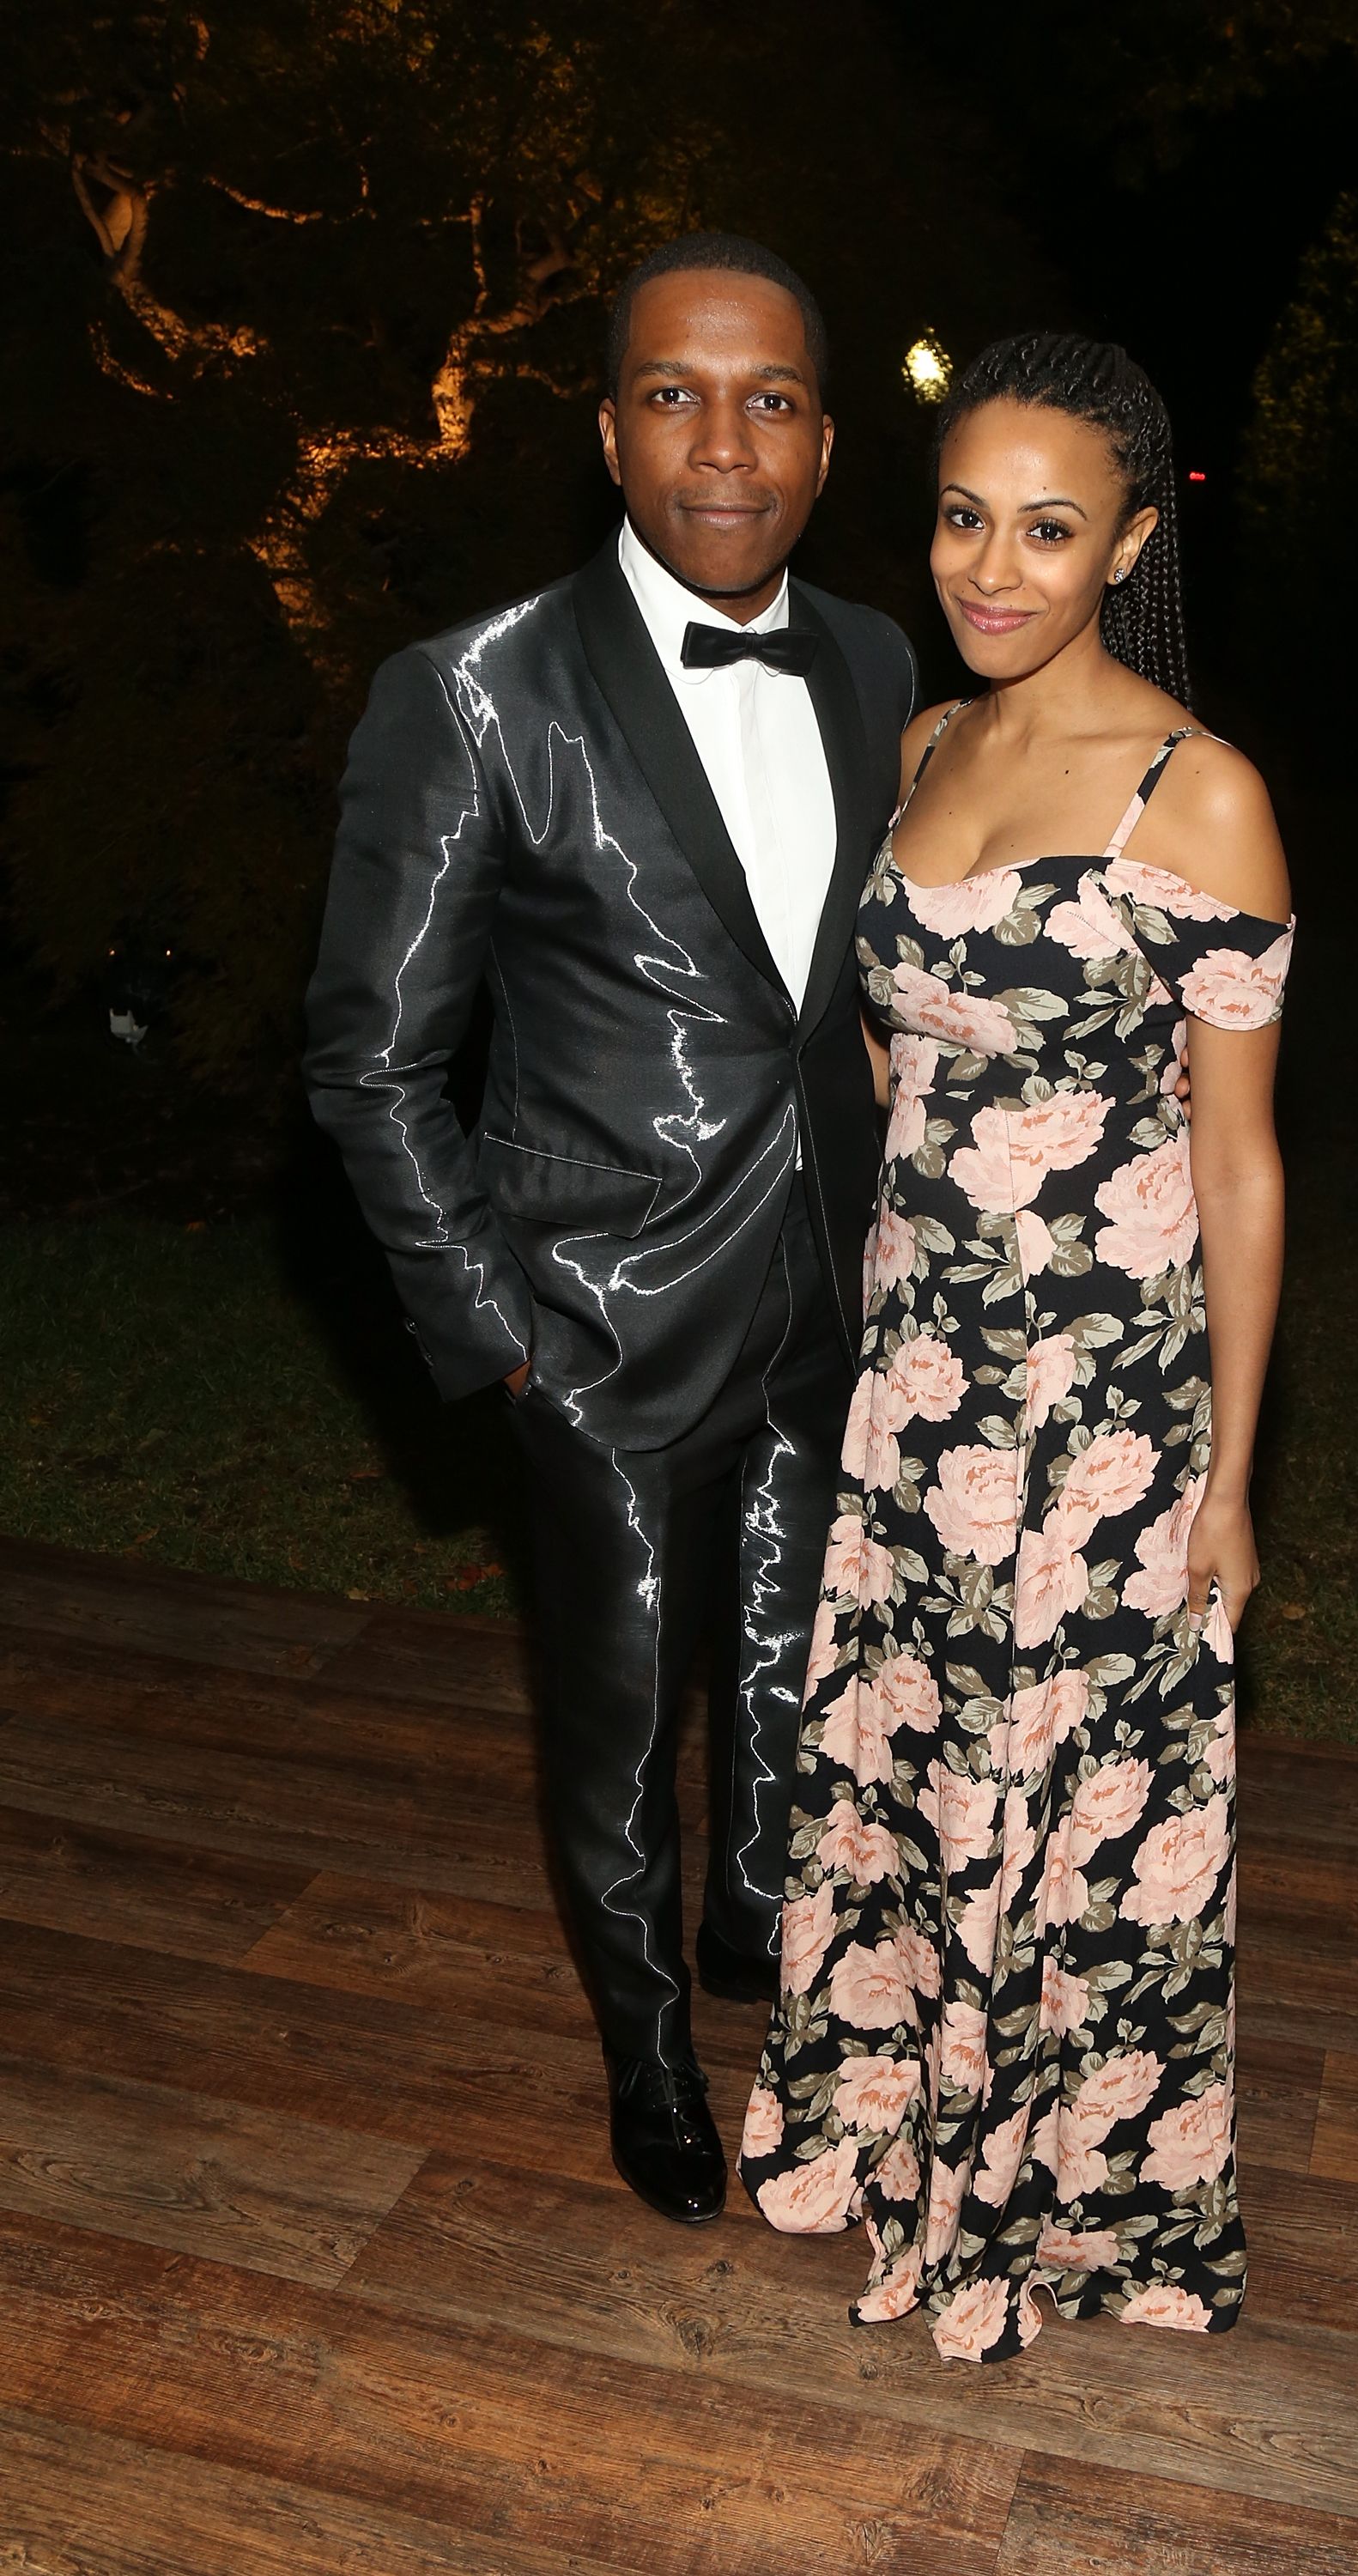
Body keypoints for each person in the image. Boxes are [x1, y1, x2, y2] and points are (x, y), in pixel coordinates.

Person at [303, 235, 915, 2226]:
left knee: (795, 1663)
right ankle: (652, 2066)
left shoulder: (884, 662)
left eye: (767, 400)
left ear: (824, 445)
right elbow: (370, 1065)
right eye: (673, 391)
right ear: (607, 427)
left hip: (831, 1292)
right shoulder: (469, 694)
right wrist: (500, 1335)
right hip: (595, 1322)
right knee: (617, 1726)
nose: (720, 441)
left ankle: (758, 1929)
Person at [739, 331, 1293, 2360]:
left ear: (1130, 540)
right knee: (910, 1757)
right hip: (919, 1388)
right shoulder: (923, 749)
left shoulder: (1199, 795)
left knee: (1067, 1794)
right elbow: (898, 1057)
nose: (992, 566)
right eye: (966, 515)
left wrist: (1229, 1481)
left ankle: (1059, 2201)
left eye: (1049, 529)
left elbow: (1240, 1170)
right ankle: (895, 2122)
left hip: (1103, 1410)